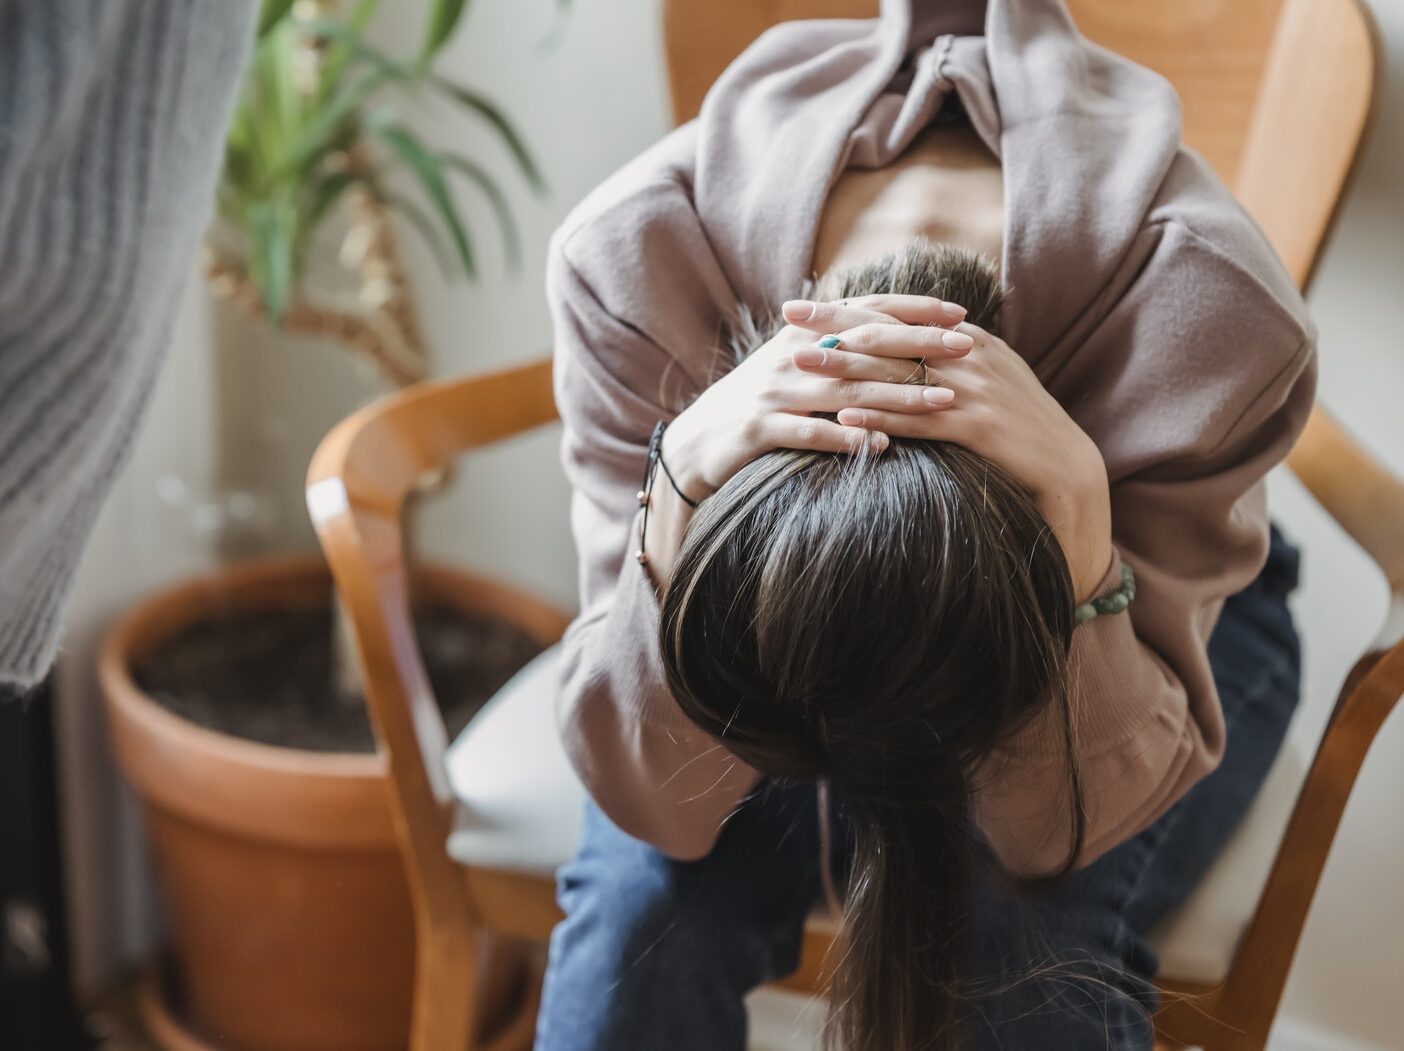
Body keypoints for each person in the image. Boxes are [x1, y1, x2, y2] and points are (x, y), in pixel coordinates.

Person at [537, 1, 1314, 1048]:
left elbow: (1046, 839)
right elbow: (650, 795)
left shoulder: (1208, 308)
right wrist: (677, 491)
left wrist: (1080, 536)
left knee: (1024, 949)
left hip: (1149, 616)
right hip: (755, 602)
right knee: (643, 920)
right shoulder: (635, 266)